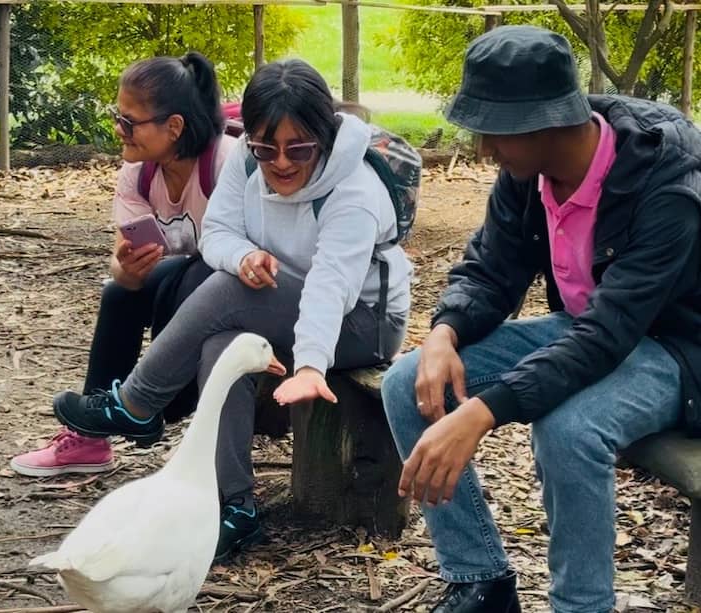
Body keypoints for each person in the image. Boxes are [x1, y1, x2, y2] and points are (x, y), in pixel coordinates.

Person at [381, 25, 701, 613]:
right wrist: (444, 331)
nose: (482, 149)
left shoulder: (668, 185)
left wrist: (483, 410)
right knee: (409, 383)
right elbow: (490, 269)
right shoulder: (526, 174)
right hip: (591, 329)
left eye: (491, 131)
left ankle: (581, 605)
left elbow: (610, 334)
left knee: (569, 429)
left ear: (547, 121)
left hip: (676, 349)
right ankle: (480, 581)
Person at [50, 58, 413, 561]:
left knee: (232, 292)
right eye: (267, 149)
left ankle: (136, 403)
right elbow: (218, 232)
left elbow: (332, 288)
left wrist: (310, 366)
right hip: (286, 302)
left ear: (324, 138)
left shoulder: (353, 194)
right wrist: (244, 257)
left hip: (362, 321)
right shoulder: (244, 159)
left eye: (299, 149)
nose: (281, 163)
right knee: (225, 347)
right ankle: (235, 507)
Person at [10, 51, 235, 477]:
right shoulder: (139, 173)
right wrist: (127, 272)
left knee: (192, 279)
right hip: (194, 284)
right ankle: (89, 438)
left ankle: (160, 406)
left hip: (247, 290)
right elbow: (121, 267)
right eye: (118, 116)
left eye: (130, 122)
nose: (119, 130)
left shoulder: (225, 164)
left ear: (174, 127)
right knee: (120, 293)